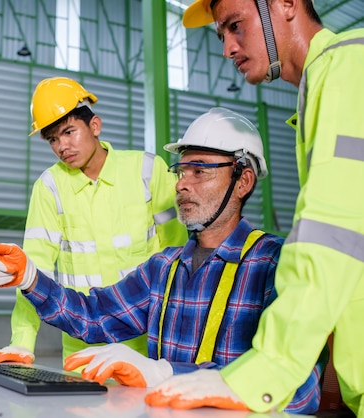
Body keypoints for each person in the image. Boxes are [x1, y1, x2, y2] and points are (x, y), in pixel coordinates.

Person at [0, 107, 326, 415]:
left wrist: (168, 372)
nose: (182, 185)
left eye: (199, 171)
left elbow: (300, 389)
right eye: (182, 170)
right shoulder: (164, 269)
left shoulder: (276, 263)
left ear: (243, 180)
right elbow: (94, 317)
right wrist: (31, 278)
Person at [145, 0, 364, 416]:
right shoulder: (326, 84)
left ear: (285, 4)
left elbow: (330, 236)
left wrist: (262, 374)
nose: (228, 48)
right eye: (221, 34)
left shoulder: (346, 68)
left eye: (235, 25)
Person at [0, 77, 188, 365]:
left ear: (95, 126)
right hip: (83, 349)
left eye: (68, 132)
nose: (61, 146)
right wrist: (22, 340)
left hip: (147, 349)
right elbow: (31, 269)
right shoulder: (50, 187)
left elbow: (178, 255)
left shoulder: (147, 170)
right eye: (53, 139)